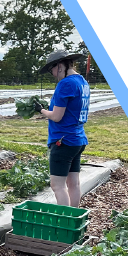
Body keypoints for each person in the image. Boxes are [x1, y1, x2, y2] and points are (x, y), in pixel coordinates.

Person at [35, 50, 90, 207]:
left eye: (51, 69)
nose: (52, 74)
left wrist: (42, 110)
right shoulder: (82, 82)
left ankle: (64, 222)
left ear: (59, 65)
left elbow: (57, 116)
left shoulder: (65, 84)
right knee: (74, 184)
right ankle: (74, 218)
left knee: (57, 186)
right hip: (77, 139)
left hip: (63, 141)